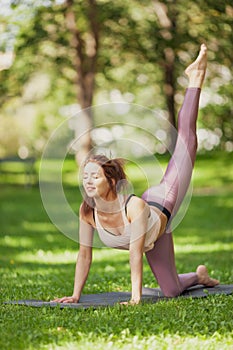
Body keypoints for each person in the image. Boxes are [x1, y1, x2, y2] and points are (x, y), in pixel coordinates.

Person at [53, 44, 219, 305]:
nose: (88, 182)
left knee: (187, 143)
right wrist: (75, 295)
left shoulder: (135, 207)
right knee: (172, 291)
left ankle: (196, 77)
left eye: (94, 176)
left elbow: (135, 251)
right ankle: (199, 276)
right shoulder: (87, 211)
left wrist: (135, 298)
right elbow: (84, 255)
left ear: (111, 180)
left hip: (160, 201)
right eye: (85, 177)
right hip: (156, 236)